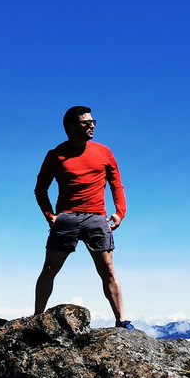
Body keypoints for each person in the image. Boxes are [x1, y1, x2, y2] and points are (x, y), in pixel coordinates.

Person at [33, 105, 134, 329]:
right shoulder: (55, 155)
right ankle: (37, 318)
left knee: (107, 269)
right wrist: (51, 216)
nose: (92, 126)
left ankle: (122, 321)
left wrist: (119, 213)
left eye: (93, 122)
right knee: (50, 269)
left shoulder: (104, 152)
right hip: (67, 218)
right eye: (85, 123)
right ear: (71, 127)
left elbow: (117, 184)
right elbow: (40, 189)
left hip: (97, 217)